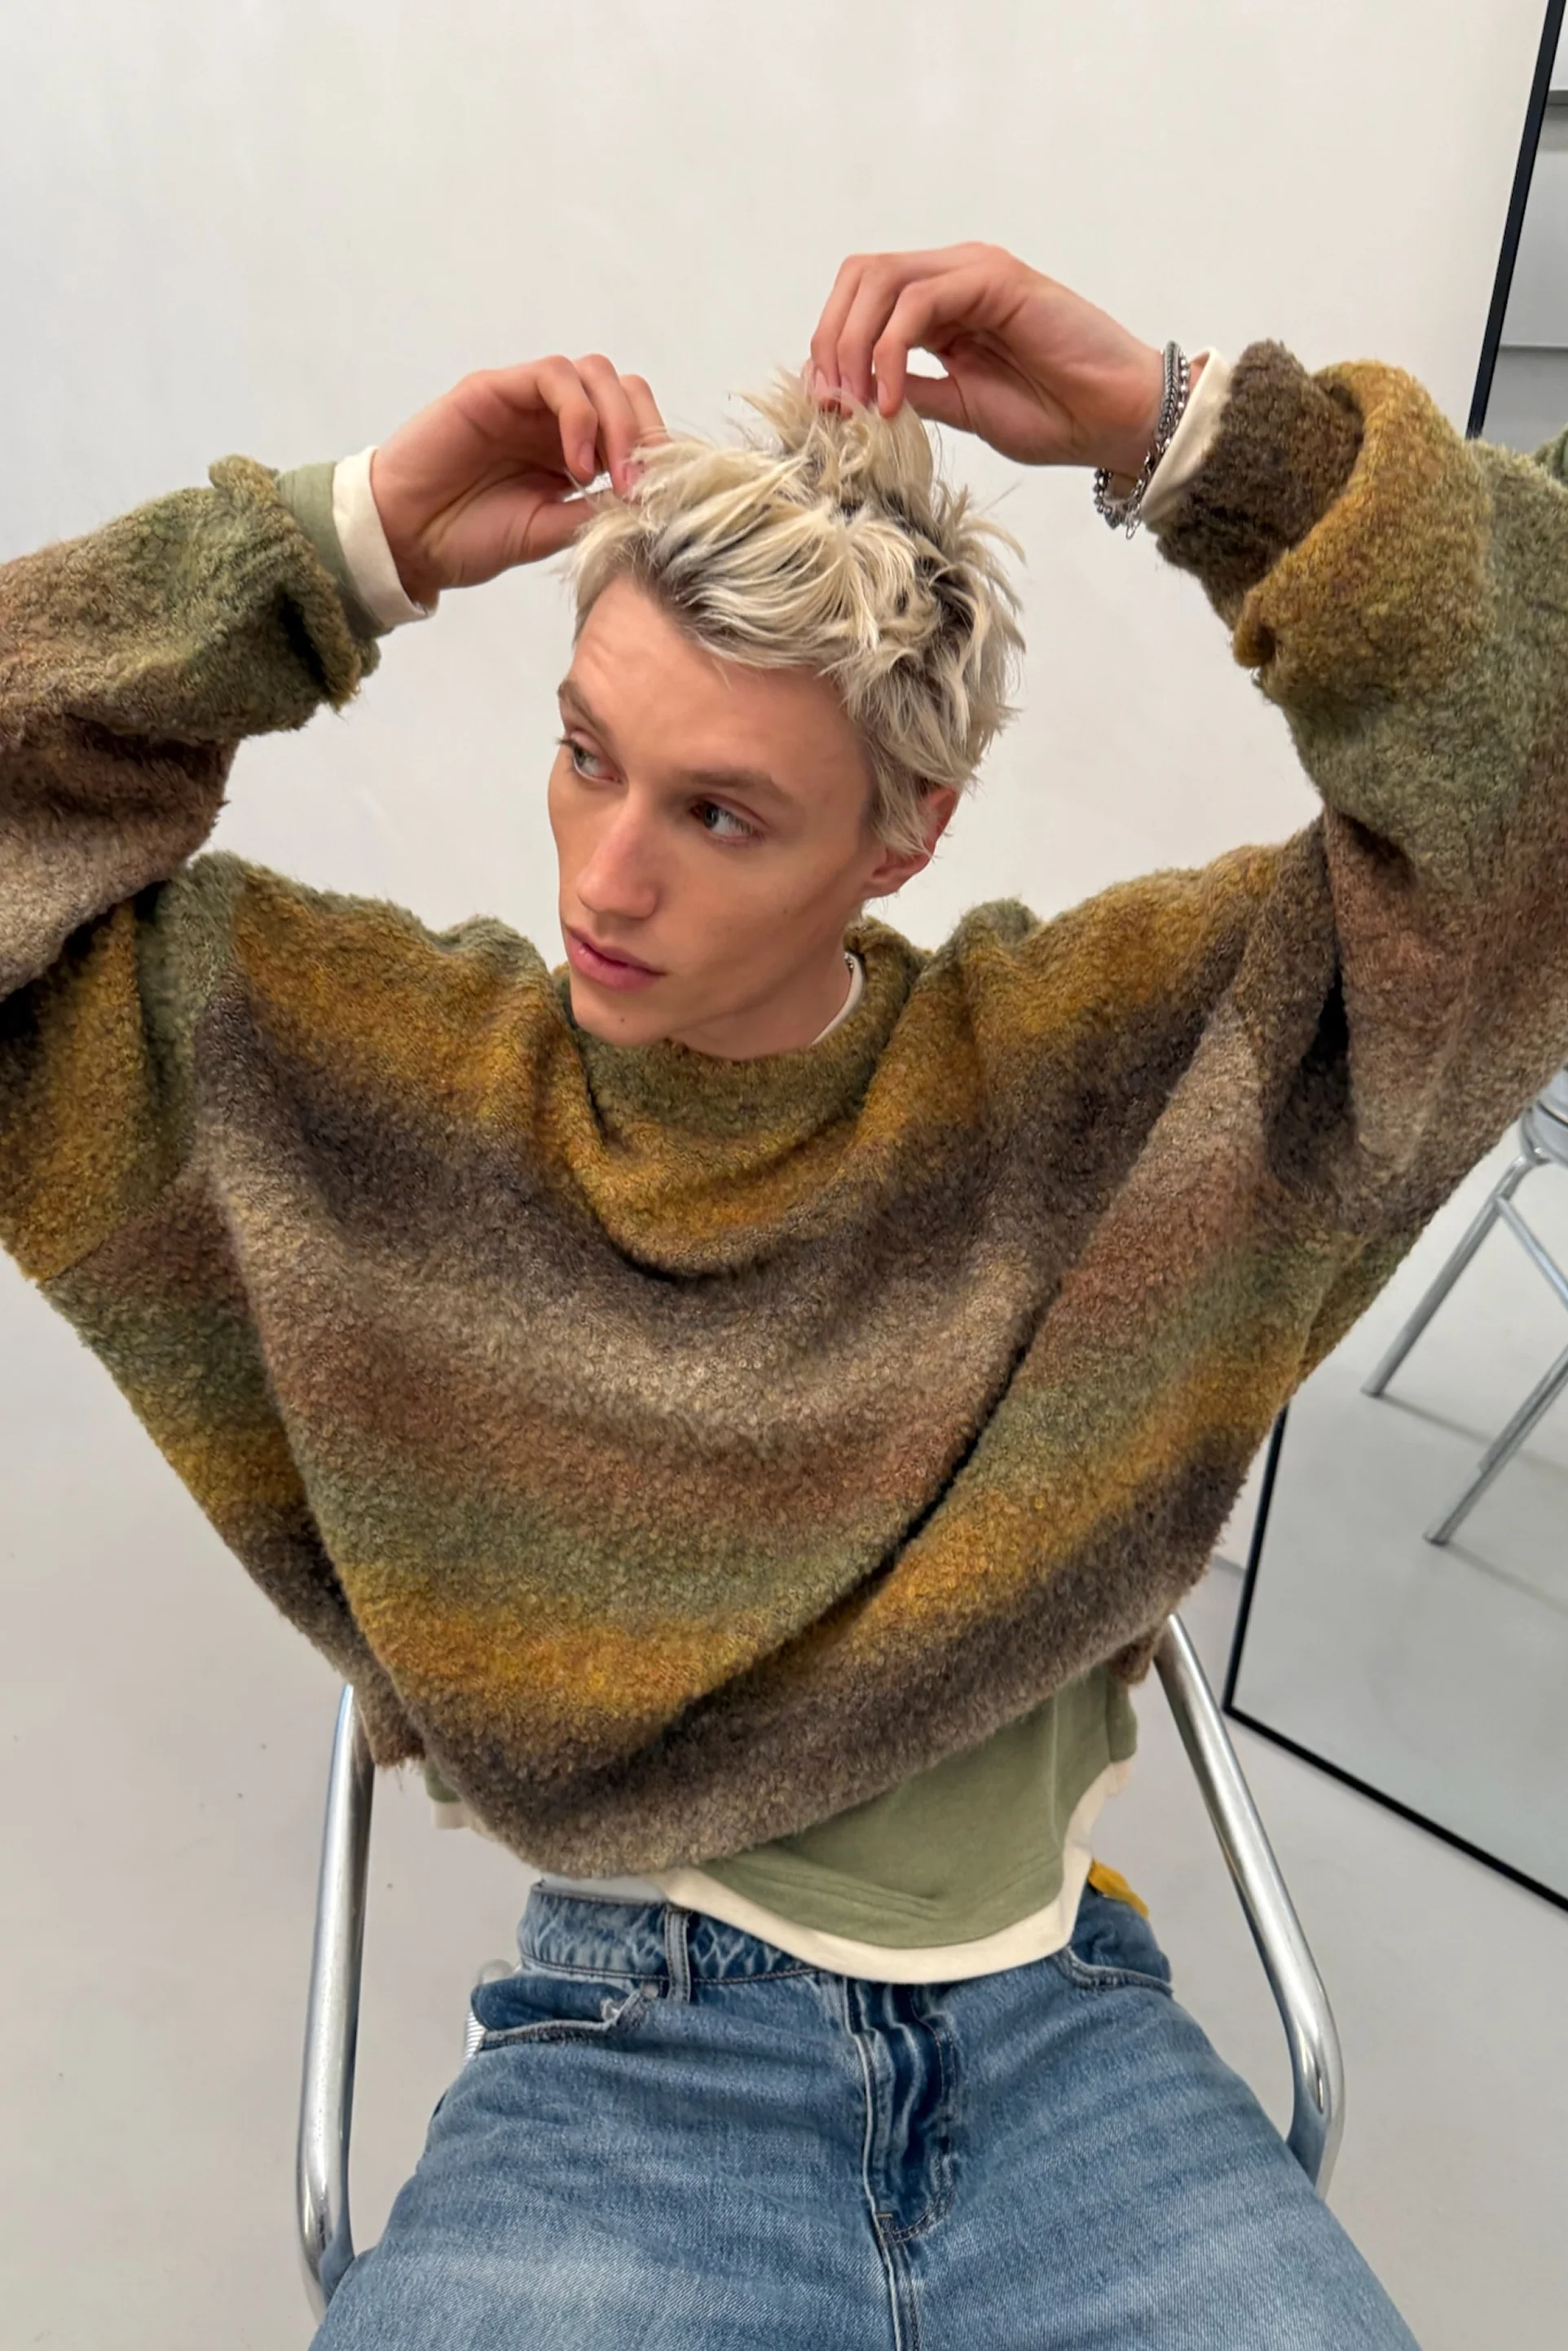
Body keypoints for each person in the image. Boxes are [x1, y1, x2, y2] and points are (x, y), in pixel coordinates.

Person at [9, 236, 1565, 2346]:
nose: (604, 874)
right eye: (586, 753)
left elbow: (1530, 794)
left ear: (902, 834)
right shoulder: (370, 1088)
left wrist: (1190, 432)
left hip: (1068, 2050)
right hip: (620, 2055)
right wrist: (337, 548)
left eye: (720, 812)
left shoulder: (1091, 1081)